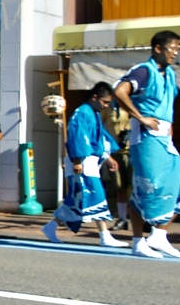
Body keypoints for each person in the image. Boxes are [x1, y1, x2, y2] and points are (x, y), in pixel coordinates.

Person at [113, 30, 180, 259]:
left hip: (164, 138)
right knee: (145, 188)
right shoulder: (143, 71)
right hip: (146, 138)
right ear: (158, 48)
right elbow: (120, 91)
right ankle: (138, 241)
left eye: (177, 49)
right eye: (172, 49)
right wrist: (141, 117)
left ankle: (158, 235)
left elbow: (168, 110)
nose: (174, 54)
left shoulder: (170, 74)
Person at [41, 82, 128, 248]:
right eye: (105, 102)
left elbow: (98, 139)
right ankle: (104, 235)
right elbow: (77, 137)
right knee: (97, 194)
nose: (106, 106)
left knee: (76, 201)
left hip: (88, 161)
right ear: (95, 97)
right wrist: (77, 161)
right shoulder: (82, 113)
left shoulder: (92, 113)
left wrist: (108, 158)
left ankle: (51, 226)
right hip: (82, 161)